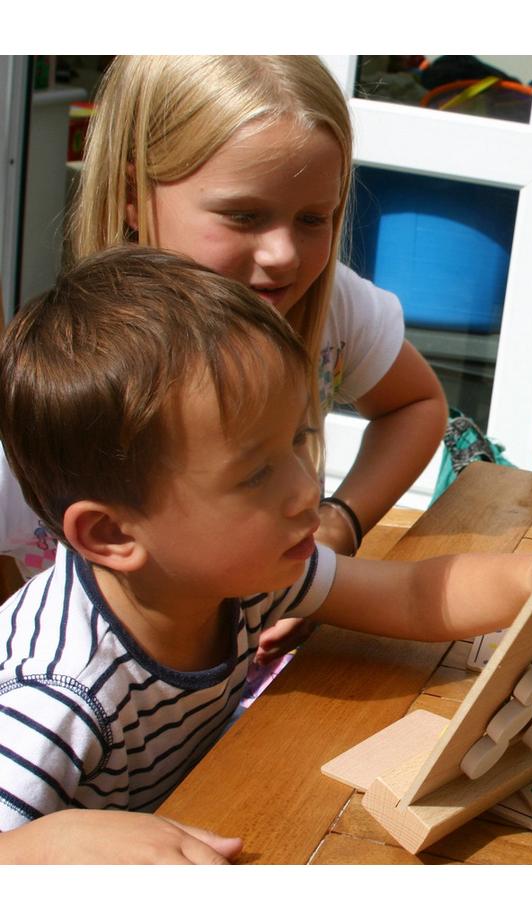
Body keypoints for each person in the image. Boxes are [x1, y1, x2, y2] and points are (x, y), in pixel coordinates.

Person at [0, 247, 532, 862]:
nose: (306, 487)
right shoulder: (58, 695)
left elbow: (414, 596)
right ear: (113, 536)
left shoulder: (244, 574)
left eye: (300, 439)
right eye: (255, 474)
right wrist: (40, 849)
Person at [0, 55, 449, 664]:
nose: (284, 254)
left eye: (314, 218)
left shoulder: (331, 303)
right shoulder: (74, 381)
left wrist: (339, 524)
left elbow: (416, 404)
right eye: (244, 215)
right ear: (134, 198)